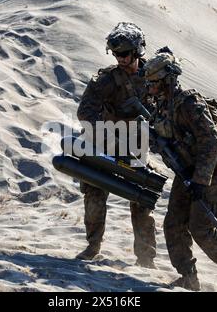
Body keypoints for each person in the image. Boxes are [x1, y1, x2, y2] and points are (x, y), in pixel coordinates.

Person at [141, 50, 217, 291]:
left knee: (202, 229)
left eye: (153, 83)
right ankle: (189, 277)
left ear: (167, 80)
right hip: (186, 174)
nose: (149, 87)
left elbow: (211, 141)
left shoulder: (188, 103)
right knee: (173, 224)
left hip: (210, 174)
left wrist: (201, 181)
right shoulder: (161, 106)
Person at [75, 22, 156, 268]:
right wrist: (109, 137)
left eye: (124, 53)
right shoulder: (106, 80)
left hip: (138, 146)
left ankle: (146, 257)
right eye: (116, 54)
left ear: (138, 51)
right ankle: (92, 246)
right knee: (94, 192)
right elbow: (85, 113)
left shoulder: (155, 77)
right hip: (105, 144)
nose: (120, 58)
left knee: (142, 200)